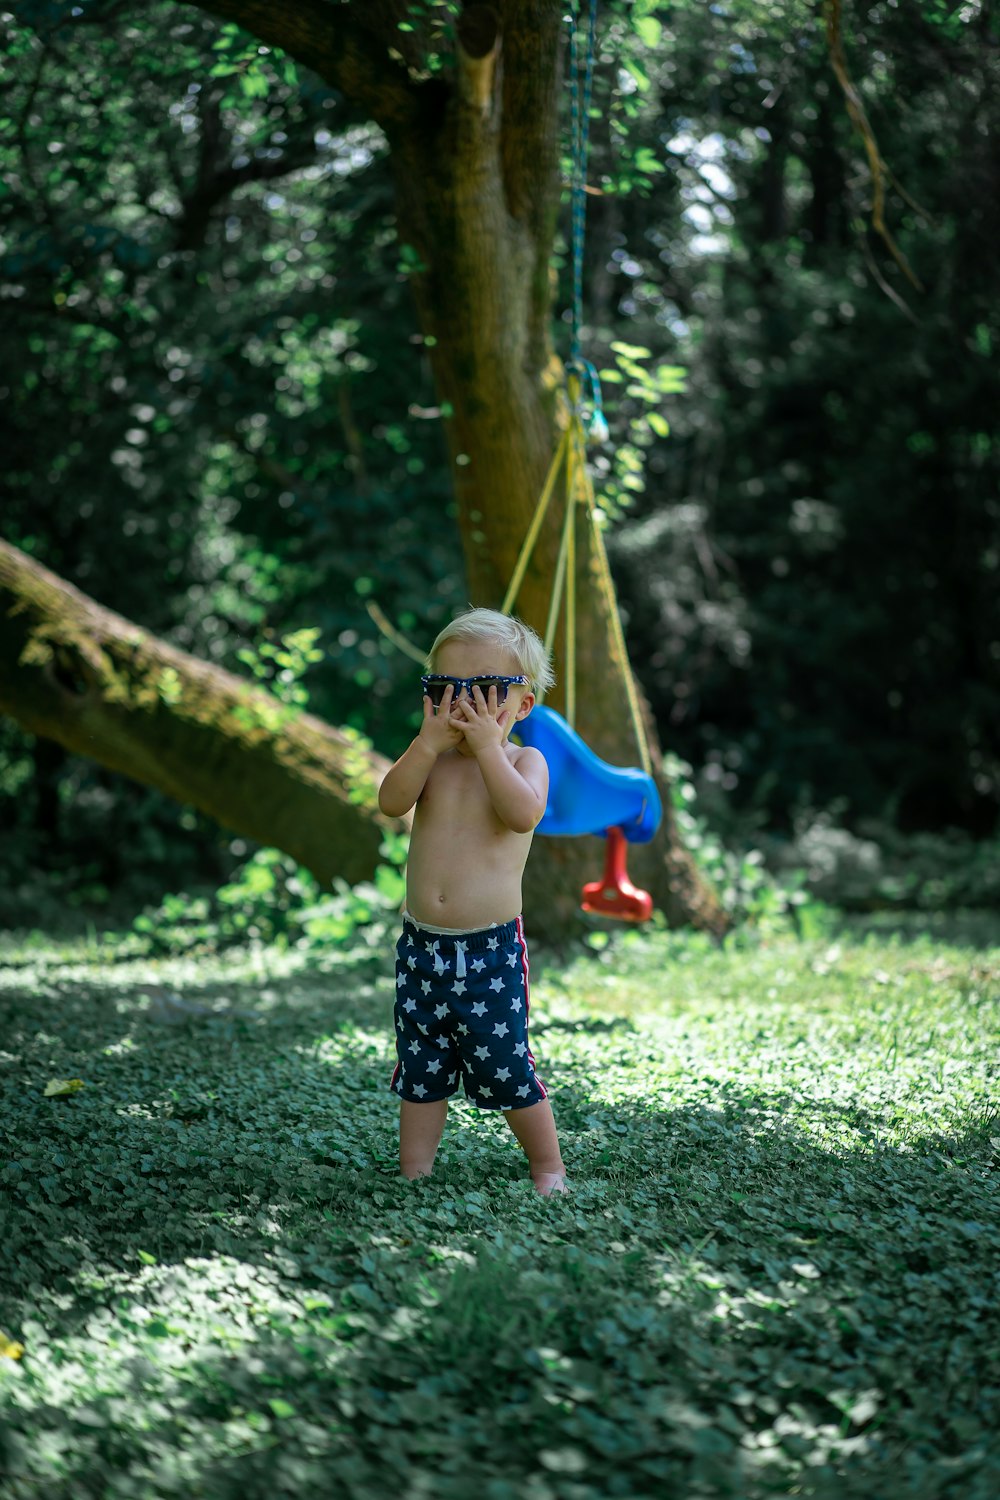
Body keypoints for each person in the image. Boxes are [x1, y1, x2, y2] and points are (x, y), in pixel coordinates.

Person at [377, 607, 568, 1195]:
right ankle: (416, 1172)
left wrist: (489, 749)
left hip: (488, 954)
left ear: (523, 705)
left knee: (506, 1065)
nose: (465, 707)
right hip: (422, 948)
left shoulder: (521, 761)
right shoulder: (431, 763)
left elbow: (522, 814)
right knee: (420, 1067)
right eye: (445, 690)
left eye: (485, 691)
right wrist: (425, 745)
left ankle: (547, 1166)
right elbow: (390, 801)